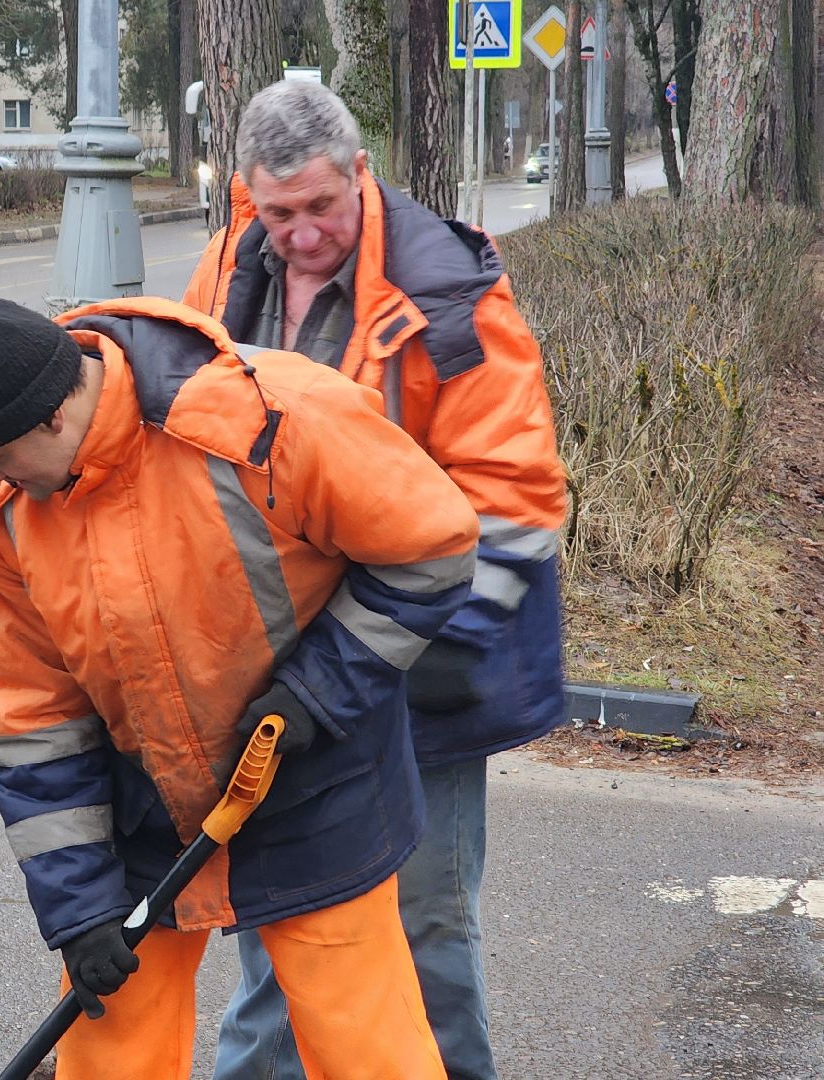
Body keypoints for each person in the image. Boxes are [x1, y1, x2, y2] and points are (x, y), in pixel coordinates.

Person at [0, 295, 482, 1079]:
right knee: (108, 1050)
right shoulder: (8, 512)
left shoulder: (271, 416)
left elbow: (432, 549)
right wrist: (81, 911)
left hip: (315, 789)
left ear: (51, 417)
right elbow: (34, 721)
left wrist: (319, 693)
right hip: (141, 812)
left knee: (366, 1049)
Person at [184, 81, 567, 1080]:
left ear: (360, 173)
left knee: (421, 931)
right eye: (278, 214)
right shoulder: (228, 269)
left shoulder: (446, 293)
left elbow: (514, 508)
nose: (302, 236)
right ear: (246, 197)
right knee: (280, 925)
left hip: (420, 672)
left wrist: (398, 660)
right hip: (285, 668)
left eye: (321, 208)